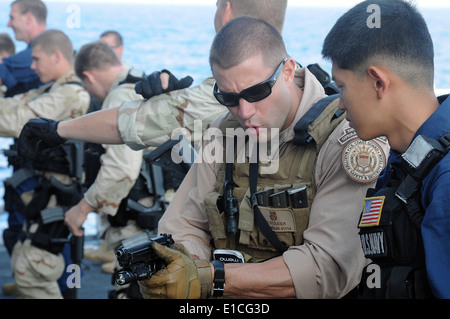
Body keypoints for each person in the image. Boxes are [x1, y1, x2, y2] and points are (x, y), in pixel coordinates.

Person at [135, 16, 390, 299]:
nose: (244, 112)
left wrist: (211, 278)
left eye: (256, 92)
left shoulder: (347, 140)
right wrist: (187, 267)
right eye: (229, 98)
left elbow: (327, 268)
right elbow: (183, 225)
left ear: (288, 71)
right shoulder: (223, 131)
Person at [322, 0, 450, 299]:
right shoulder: (406, 158)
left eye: (342, 87)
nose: (340, 105)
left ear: (378, 83)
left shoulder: (443, 178)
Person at [2, 29, 90, 299]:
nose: (32, 65)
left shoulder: (71, 94)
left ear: (56, 56)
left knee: (34, 269)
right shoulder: (55, 88)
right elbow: (13, 107)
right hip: (46, 190)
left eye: (37, 59)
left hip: (59, 193)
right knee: (26, 256)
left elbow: (17, 122)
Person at [0, 0, 47, 97]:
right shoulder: (50, 48)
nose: (8, 24)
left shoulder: (34, 55)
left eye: (12, 18)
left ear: (28, 18)